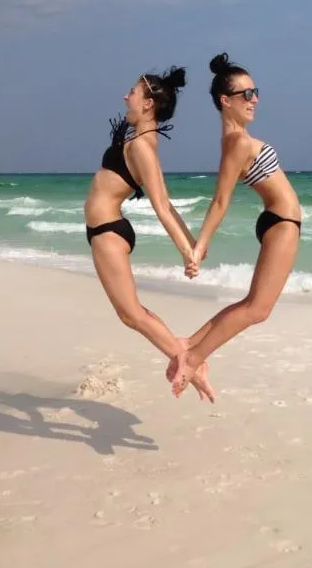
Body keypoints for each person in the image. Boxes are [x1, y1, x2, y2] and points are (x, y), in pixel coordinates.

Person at [168, 53, 301, 399]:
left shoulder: (236, 139)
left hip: (279, 222)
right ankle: (194, 358)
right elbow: (221, 200)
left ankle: (189, 346)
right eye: (246, 94)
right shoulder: (238, 143)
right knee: (258, 309)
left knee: (252, 304)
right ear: (225, 101)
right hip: (281, 223)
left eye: (255, 91)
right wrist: (199, 247)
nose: (254, 99)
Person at [85, 66, 215, 402]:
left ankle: (190, 362)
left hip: (108, 231)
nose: (126, 96)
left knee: (131, 314)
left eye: (133, 92)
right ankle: (185, 353)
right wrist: (193, 244)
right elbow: (167, 202)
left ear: (147, 105)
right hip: (104, 230)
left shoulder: (143, 145)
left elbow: (160, 205)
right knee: (132, 313)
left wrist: (189, 252)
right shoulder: (140, 140)